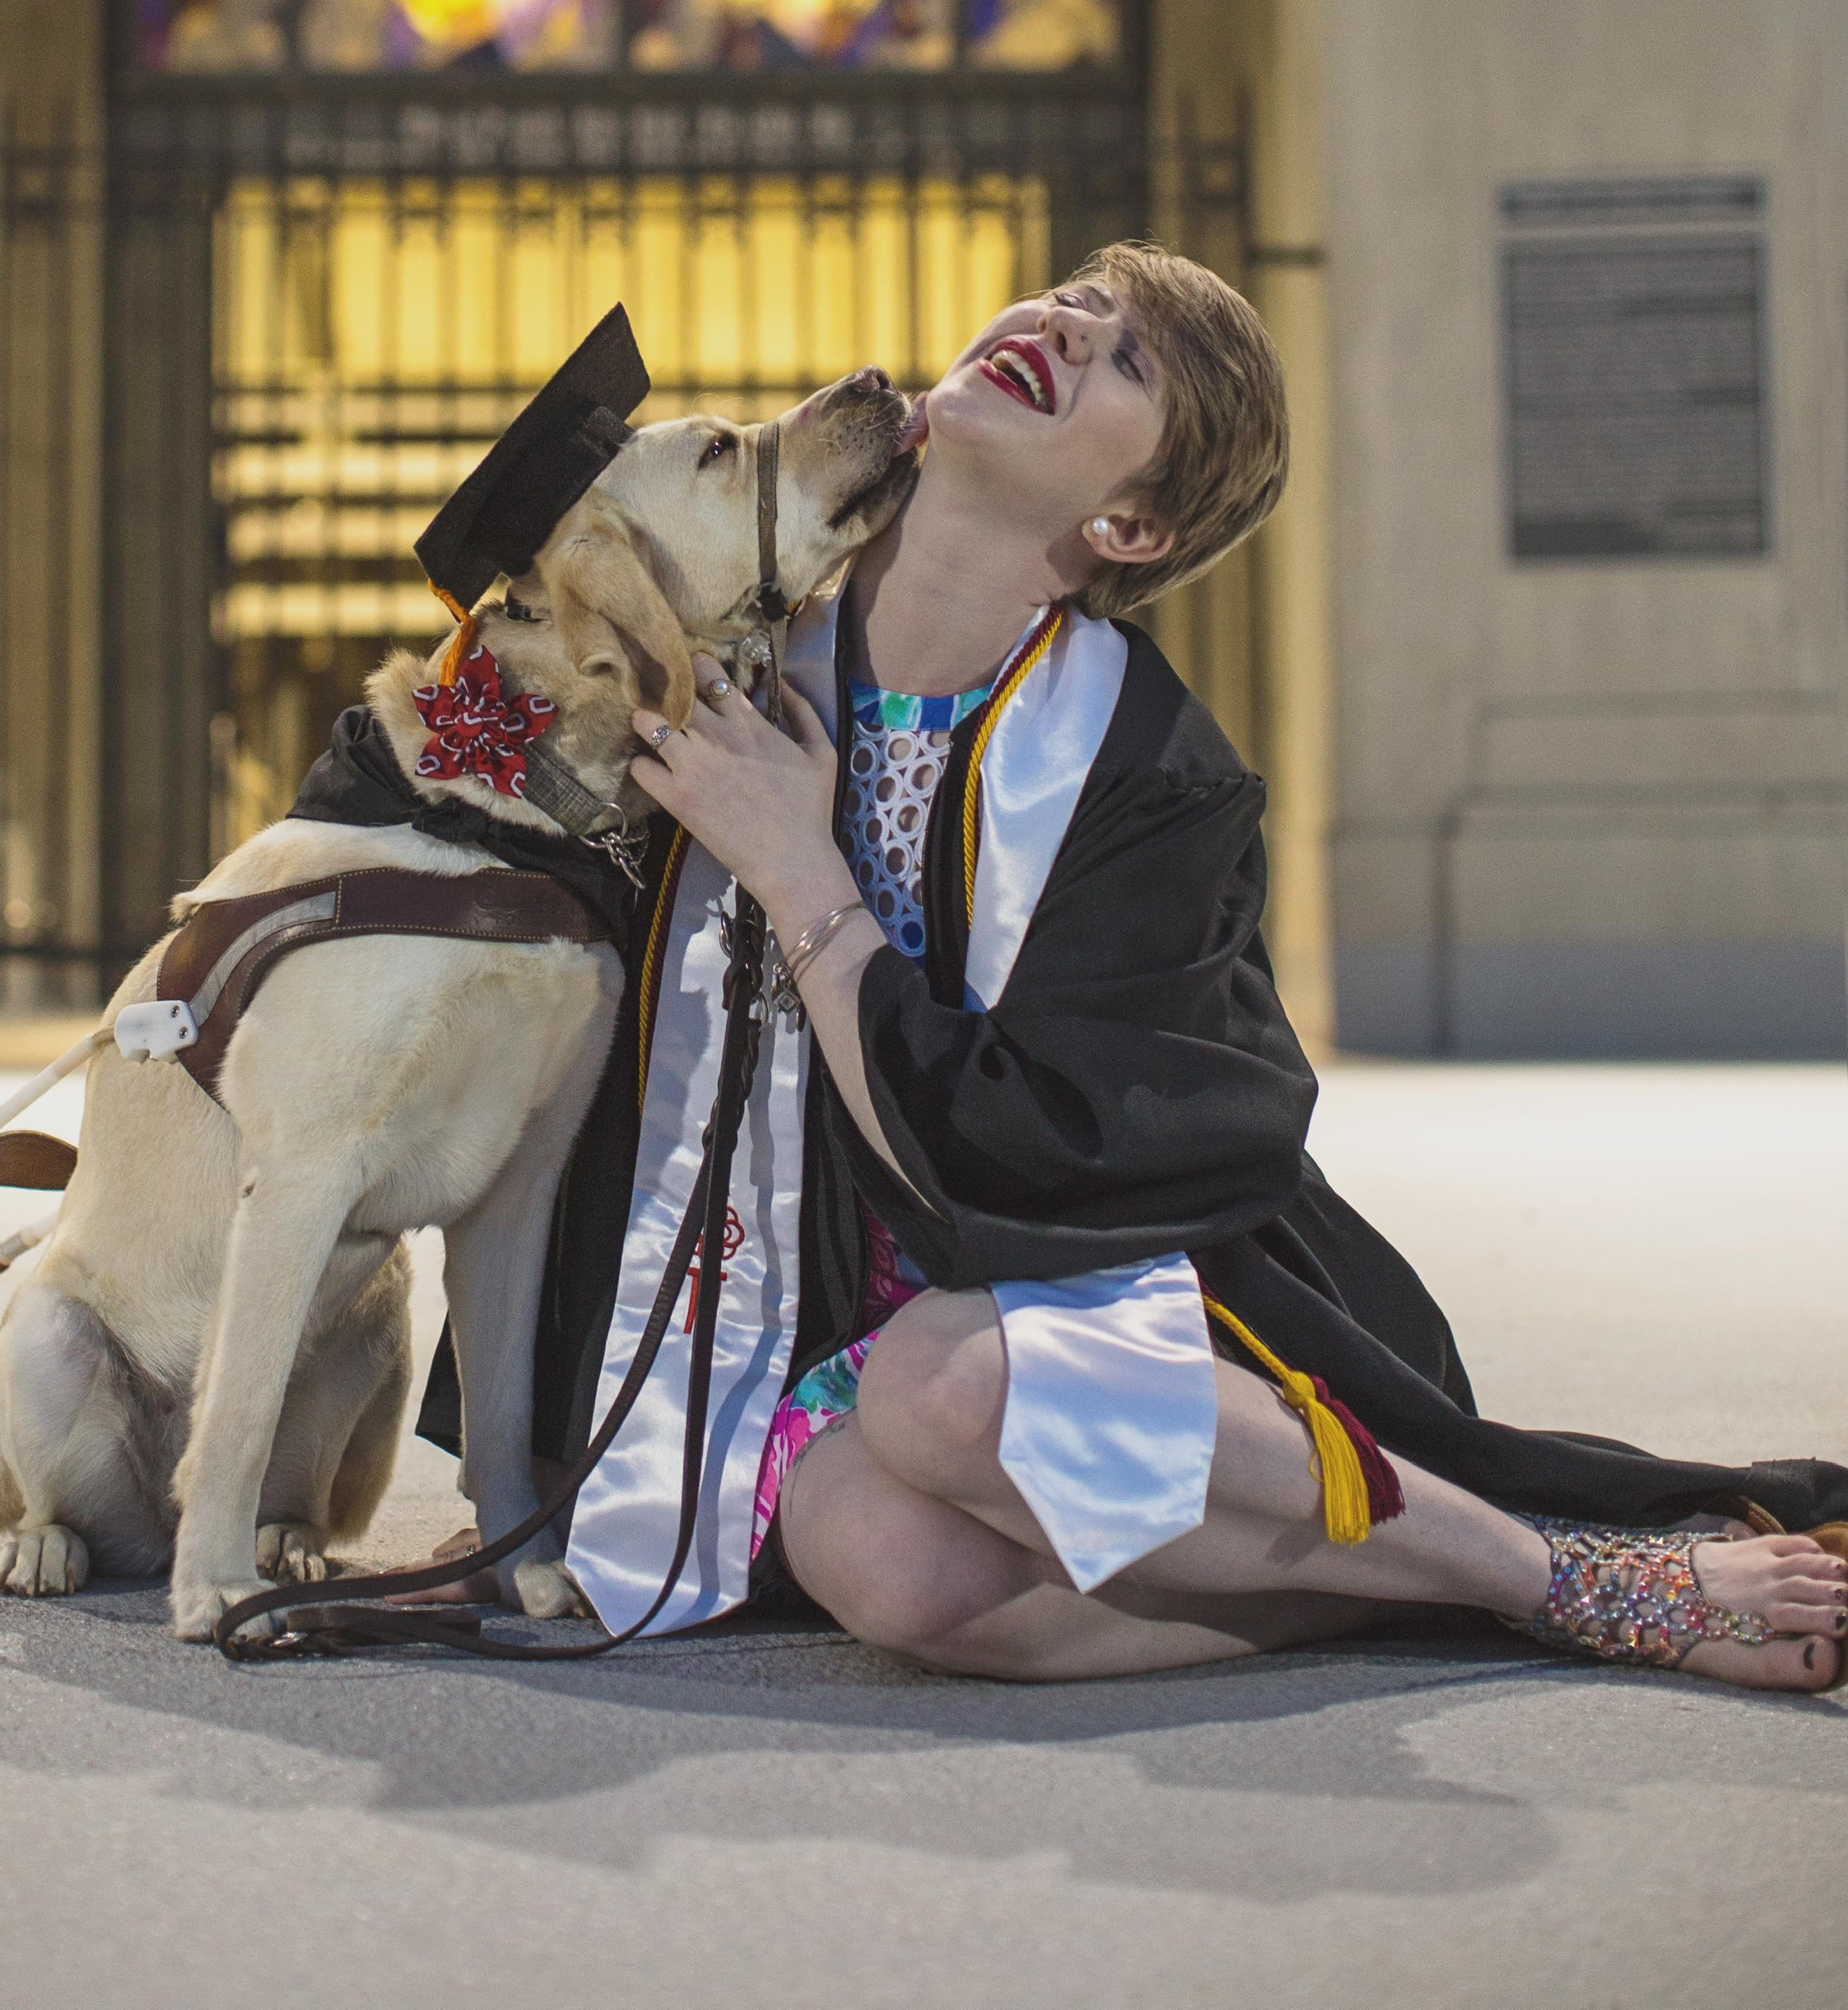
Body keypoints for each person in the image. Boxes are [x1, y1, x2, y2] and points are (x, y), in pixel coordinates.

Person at [425, 247, 1848, 1688]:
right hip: (823, 1334)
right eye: (1070, 300)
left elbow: (1042, 1161)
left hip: (1114, 1296)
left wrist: (801, 872)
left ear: (1129, 526)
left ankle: (1561, 1574)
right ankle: (1404, 1591)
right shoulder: (727, 644)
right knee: (878, 1559)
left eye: (1126, 358)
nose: (1057, 323)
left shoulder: (1150, 780)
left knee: (944, 1389)